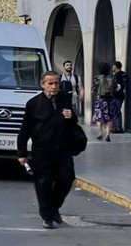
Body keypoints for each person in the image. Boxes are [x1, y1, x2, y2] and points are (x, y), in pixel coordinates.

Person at [17, 70, 83, 228]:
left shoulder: (64, 98)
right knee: (43, 184)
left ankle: (53, 209)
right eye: (50, 83)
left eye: (56, 83)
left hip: (63, 150)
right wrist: (22, 153)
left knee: (66, 179)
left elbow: (73, 122)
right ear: (43, 85)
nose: (54, 87)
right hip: (42, 151)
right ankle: (47, 216)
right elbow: (25, 130)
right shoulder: (33, 104)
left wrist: (71, 116)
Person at [91, 62, 117, 142]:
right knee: (110, 117)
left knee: (99, 116)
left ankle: (100, 132)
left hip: (100, 100)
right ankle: (108, 134)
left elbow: (93, 89)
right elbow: (116, 88)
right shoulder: (112, 78)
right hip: (110, 100)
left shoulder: (97, 78)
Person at [111, 61, 127, 134]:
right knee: (117, 111)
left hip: (116, 96)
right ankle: (117, 127)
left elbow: (117, 86)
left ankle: (118, 128)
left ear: (115, 67)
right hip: (121, 95)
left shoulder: (116, 76)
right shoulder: (124, 74)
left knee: (116, 111)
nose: (112, 68)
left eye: (113, 66)